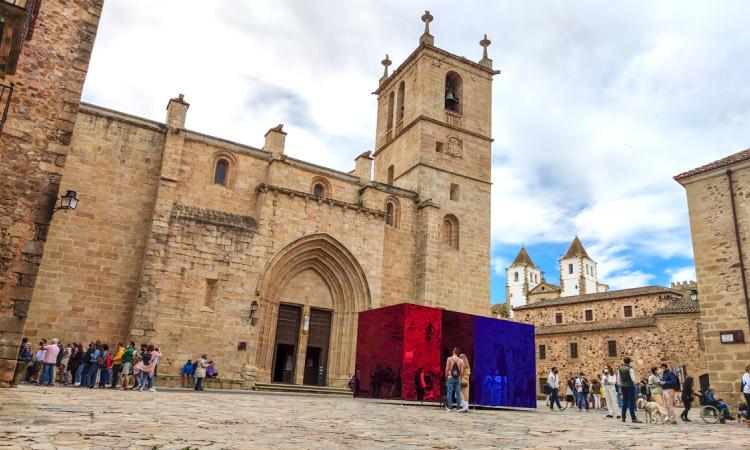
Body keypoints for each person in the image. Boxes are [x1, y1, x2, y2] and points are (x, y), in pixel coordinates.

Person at [617, 357, 641, 423]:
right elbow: (633, 379)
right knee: (631, 402)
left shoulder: (620, 369)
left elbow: (619, 380)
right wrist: (638, 383)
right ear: (629, 362)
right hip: (630, 386)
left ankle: (623, 418)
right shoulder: (630, 369)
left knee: (624, 402)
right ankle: (633, 418)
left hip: (623, 386)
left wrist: (620, 386)